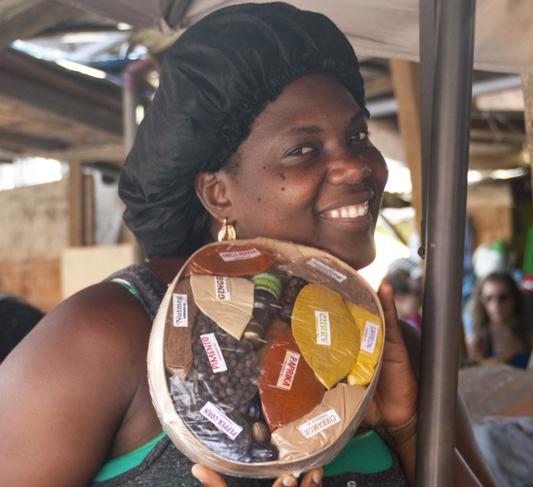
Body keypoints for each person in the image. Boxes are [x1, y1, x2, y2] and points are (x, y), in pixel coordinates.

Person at [0, 4, 495, 486]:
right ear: (218, 194)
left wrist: (409, 431)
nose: (358, 165)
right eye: (304, 149)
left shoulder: (386, 350)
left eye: (358, 134)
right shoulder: (109, 338)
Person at [468, 272, 533, 369]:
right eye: (488, 298)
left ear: (515, 300)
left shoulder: (530, 340)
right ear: (481, 302)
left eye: (503, 298)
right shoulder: (475, 344)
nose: (496, 305)